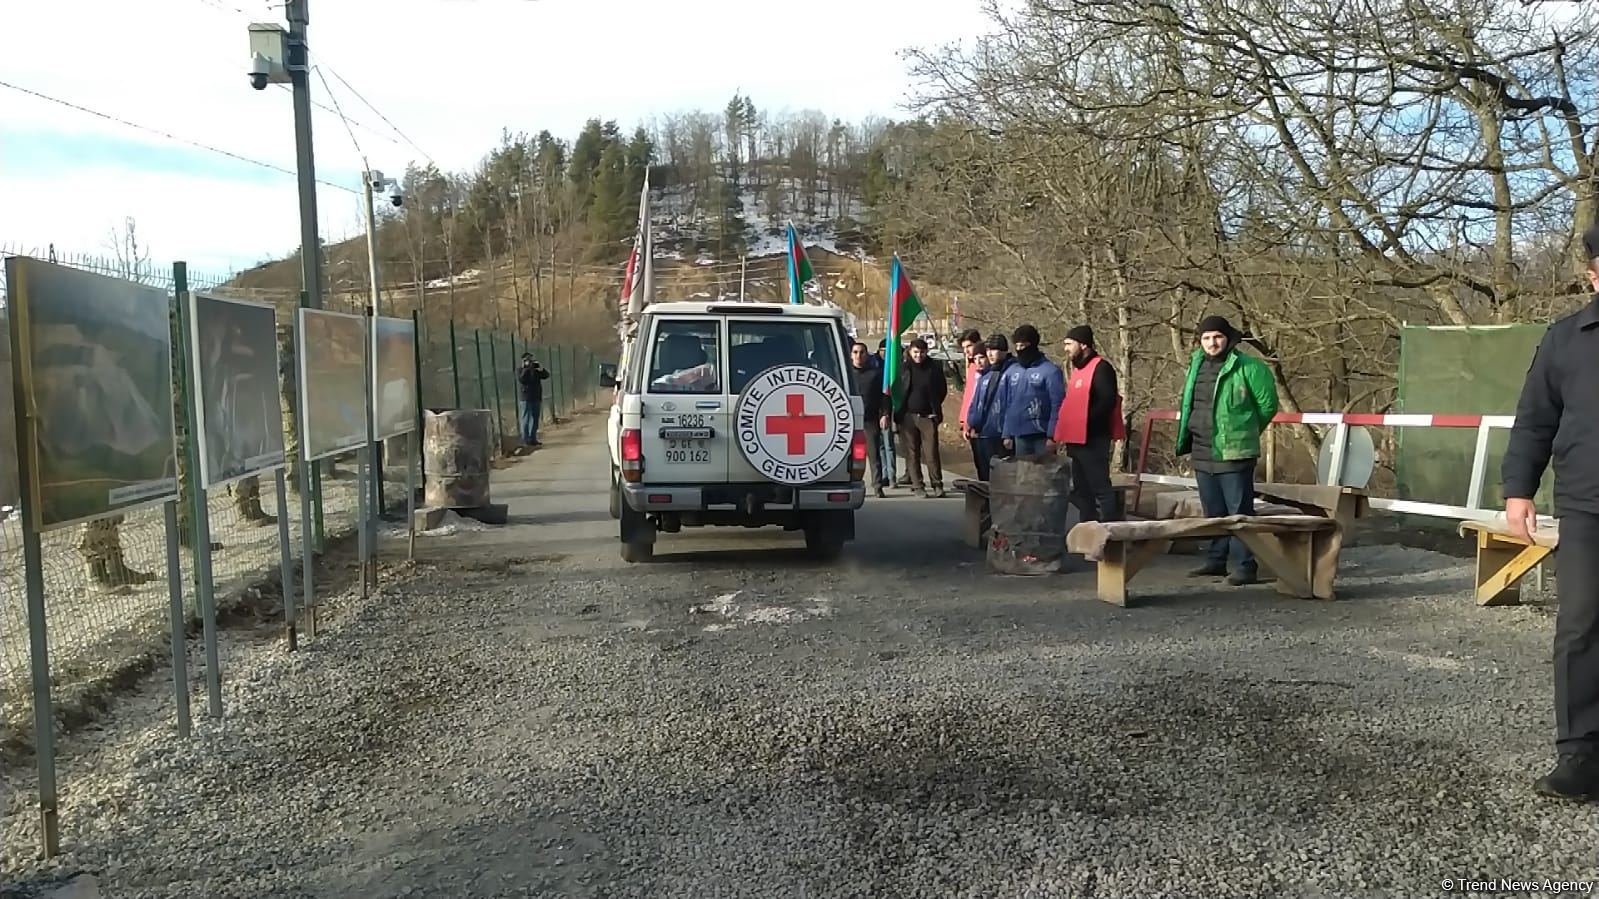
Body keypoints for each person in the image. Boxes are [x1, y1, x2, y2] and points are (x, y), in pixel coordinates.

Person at [1500, 223, 1599, 802]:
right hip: (1588, 505)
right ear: (1592, 272)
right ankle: (1581, 752)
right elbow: (1535, 419)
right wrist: (1518, 489)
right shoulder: (1566, 339)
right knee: (1582, 625)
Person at [1175, 315, 1279, 586]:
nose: (1212, 343)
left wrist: (1244, 432)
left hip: (1234, 451)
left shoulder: (1250, 367)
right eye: (1206, 338)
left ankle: (1246, 565)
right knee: (1213, 511)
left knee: (1239, 513)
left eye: (1217, 337)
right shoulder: (1196, 365)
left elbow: (1268, 406)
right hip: (1201, 448)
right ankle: (1216, 560)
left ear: (1228, 338)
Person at [1053, 325, 1125, 522]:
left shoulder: (1101, 368)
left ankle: (1111, 535)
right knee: (1082, 491)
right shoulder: (1079, 369)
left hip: (1093, 439)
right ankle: (1087, 532)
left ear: (1083, 344)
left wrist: (1084, 421)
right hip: (1075, 439)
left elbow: (1106, 401)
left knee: (1100, 488)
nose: (1066, 349)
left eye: (1069, 344)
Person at [996, 324, 1065, 458]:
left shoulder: (1050, 371)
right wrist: (1006, 433)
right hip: (1019, 435)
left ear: (1033, 344)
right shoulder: (1012, 372)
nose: (1020, 349)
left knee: (1043, 475)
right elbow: (1007, 404)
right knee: (1023, 475)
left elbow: (1057, 405)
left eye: (1024, 345)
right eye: (1017, 346)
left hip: (1042, 435)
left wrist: (1053, 436)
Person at [894, 337, 948, 497]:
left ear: (927, 352)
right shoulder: (903, 368)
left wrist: (935, 408)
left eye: (922, 352)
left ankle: (937, 484)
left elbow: (942, 390)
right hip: (908, 416)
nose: (919, 355)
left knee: (931, 452)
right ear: (910, 351)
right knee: (912, 453)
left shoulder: (934, 367)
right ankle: (918, 485)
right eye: (916, 352)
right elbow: (897, 391)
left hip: (928, 416)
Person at [965, 333, 1013, 480]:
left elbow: (1012, 406)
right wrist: (971, 423)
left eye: (994, 350)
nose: (990, 354)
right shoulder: (986, 375)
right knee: (984, 476)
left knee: (1001, 478)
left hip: (999, 434)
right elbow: (975, 403)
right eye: (988, 350)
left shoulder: (1011, 372)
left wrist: (1008, 433)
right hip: (982, 433)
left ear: (1004, 351)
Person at [849, 341, 889, 497]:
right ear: (851, 355)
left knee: (874, 455)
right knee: (850, 457)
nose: (858, 355)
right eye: (855, 352)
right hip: (848, 421)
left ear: (867, 355)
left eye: (862, 352)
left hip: (869, 419)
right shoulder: (845, 374)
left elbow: (884, 397)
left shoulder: (875, 374)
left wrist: (885, 414)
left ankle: (877, 486)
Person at [955, 328, 986, 475]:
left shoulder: (983, 368)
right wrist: (963, 421)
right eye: (964, 348)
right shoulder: (971, 367)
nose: (967, 351)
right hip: (970, 422)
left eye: (969, 346)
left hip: (983, 425)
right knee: (979, 464)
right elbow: (968, 397)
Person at [518, 352, 551, 447]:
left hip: (536, 397)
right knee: (525, 419)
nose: (530, 362)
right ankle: (525, 439)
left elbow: (546, 375)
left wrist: (540, 368)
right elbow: (522, 379)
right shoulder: (520, 370)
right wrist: (526, 368)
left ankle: (533, 438)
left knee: (535, 419)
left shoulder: (536, 370)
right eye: (527, 360)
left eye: (531, 359)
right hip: (526, 398)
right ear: (523, 361)